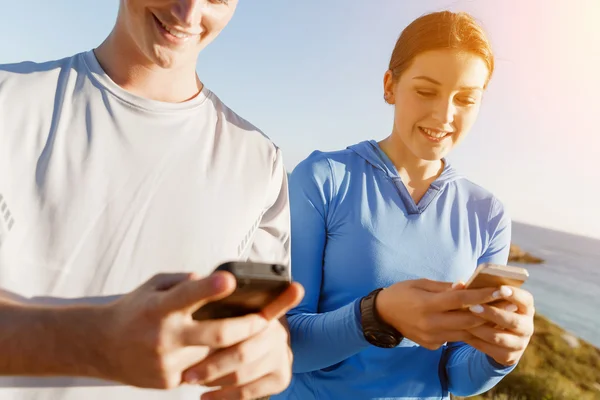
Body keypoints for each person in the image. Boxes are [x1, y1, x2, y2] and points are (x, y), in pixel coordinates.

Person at [0, 1, 303, 399]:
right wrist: (94, 344)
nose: (188, 14)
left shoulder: (260, 161)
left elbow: (252, 331)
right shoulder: (10, 100)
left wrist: (264, 361)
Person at [274, 11, 535, 400]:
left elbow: (457, 378)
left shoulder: (488, 214)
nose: (444, 116)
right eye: (426, 91)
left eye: (465, 99)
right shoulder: (324, 178)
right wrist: (374, 315)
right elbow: (284, 345)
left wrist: (500, 356)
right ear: (390, 85)